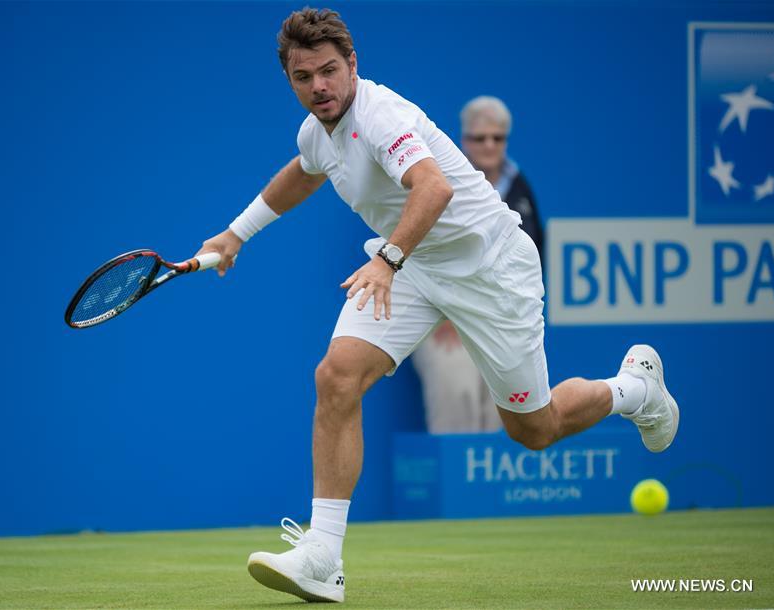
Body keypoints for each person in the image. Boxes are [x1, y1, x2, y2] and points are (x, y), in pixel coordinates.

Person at [195, 8, 679, 603]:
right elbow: (305, 171)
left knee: (534, 428)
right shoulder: (318, 131)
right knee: (337, 376)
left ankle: (635, 390)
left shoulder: (382, 116)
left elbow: (434, 187)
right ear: (290, 80)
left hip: (491, 272)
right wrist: (236, 233)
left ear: (352, 66)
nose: (318, 87)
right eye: (303, 77)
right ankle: (322, 555)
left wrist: (387, 259)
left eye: (328, 71)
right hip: (418, 266)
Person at [412, 96, 544, 434]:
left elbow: (532, 257)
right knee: (456, 410)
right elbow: (416, 246)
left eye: (497, 138)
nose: (489, 145)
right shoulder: (439, 181)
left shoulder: (521, 187)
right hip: (447, 322)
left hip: (501, 322)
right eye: (479, 137)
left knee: (505, 422)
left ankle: (488, 491)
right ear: (463, 140)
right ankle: (455, 490)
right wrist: (442, 314)